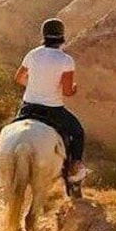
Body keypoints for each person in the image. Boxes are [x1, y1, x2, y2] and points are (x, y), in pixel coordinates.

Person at [14, 18, 88, 183]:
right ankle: (75, 168)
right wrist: (73, 88)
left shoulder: (32, 54)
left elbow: (18, 78)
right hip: (53, 110)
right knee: (77, 132)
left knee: (12, 128)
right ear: (62, 36)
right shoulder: (65, 60)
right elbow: (68, 92)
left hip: (28, 107)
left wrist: (34, 85)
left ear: (44, 35)